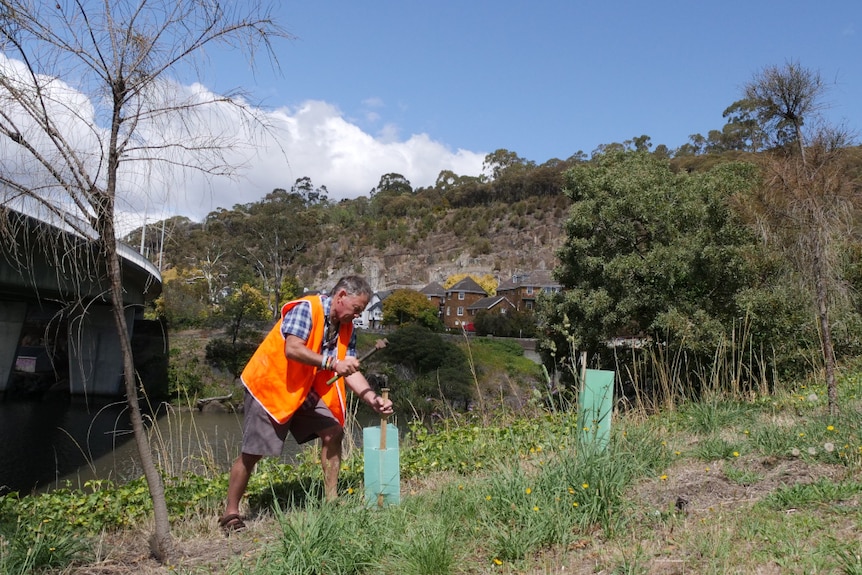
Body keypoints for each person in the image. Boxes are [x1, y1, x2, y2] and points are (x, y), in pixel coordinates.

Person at [219, 275, 393, 533]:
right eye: (356, 309)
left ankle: (331, 502)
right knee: (253, 452)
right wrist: (333, 363)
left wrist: (371, 399)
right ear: (341, 296)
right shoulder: (307, 309)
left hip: (303, 389)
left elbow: (350, 369)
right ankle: (230, 513)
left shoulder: (346, 328)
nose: (356, 316)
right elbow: (293, 349)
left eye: (361, 312)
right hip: (271, 386)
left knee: (333, 431)